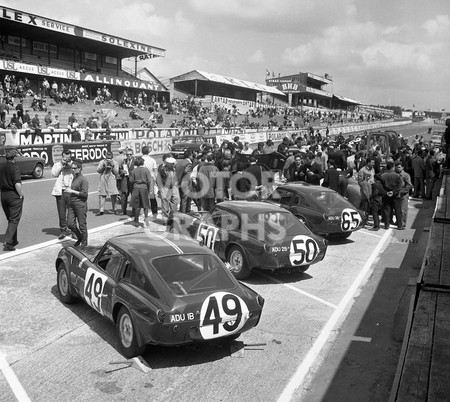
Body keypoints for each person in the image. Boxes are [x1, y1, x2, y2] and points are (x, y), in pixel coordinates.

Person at [0, 149, 24, 251]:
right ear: (14, 158)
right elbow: (17, 183)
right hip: (13, 194)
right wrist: (21, 194)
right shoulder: (15, 168)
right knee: (14, 219)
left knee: (11, 219)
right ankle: (8, 242)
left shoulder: (1, 167)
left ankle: (13, 240)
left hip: (3, 194)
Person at [65, 159, 89, 247]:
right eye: (72, 168)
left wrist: (72, 191)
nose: (73, 170)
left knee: (82, 225)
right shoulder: (75, 177)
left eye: (74, 168)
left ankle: (84, 244)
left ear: (79, 168)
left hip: (80, 204)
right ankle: (80, 237)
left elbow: (84, 194)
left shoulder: (83, 179)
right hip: (72, 203)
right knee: (70, 224)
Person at [51, 150, 73, 239]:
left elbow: (77, 172)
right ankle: (63, 230)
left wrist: (70, 165)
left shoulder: (74, 164)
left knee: (72, 212)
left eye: (68, 158)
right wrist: (61, 164)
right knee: (61, 212)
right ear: (62, 156)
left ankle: (73, 230)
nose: (67, 159)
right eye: (65, 158)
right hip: (60, 191)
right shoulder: (58, 164)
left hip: (70, 191)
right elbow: (54, 174)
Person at [129, 156, 153, 226]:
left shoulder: (134, 170)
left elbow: (131, 180)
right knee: (145, 204)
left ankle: (136, 221)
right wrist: (149, 189)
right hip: (144, 188)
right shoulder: (146, 170)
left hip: (136, 188)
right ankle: (146, 218)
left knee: (137, 205)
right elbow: (149, 181)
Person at [381, 161, 404, 230]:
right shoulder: (397, 175)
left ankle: (386, 225)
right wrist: (393, 192)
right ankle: (399, 225)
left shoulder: (382, 176)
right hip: (396, 196)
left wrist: (386, 192)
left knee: (387, 210)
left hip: (386, 195)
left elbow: (380, 186)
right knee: (398, 211)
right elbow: (400, 186)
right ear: (393, 167)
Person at [96, 151, 120, 215]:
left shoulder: (115, 162)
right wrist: (103, 166)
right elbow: (98, 170)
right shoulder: (102, 162)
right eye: (107, 158)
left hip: (112, 179)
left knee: (114, 195)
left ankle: (115, 209)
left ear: (112, 157)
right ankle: (101, 210)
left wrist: (113, 166)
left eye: (110, 158)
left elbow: (116, 172)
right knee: (102, 195)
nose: (108, 160)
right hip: (103, 179)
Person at [141, 145, 158, 219]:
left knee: (144, 197)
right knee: (152, 197)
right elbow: (155, 171)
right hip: (150, 179)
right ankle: (155, 212)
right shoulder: (152, 160)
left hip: (142, 179)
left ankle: (145, 214)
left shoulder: (139, 159)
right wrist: (155, 181)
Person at [395, 161, 413, 228]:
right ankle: (398, 221)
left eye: (399, 167)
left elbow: (409, 185)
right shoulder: (395, 174)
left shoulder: (406, 175)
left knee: (403, 210)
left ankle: (402, 223)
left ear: (402, 167)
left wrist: (402, 191)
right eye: (396, 167)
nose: (398, 169)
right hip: (396, 194)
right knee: (398, 210)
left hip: (403, 195)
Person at [119, 148, 135, 215]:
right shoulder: (124, 161)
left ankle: (134, 211)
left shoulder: (135, 161)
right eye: (127, 154)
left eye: (130, 154)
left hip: (133, 181)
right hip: (125, 180)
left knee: (134, 196)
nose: (129, 156)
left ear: (132, 154)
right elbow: (119, 169)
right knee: (124, 196)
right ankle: (123, 210)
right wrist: (121, 171)